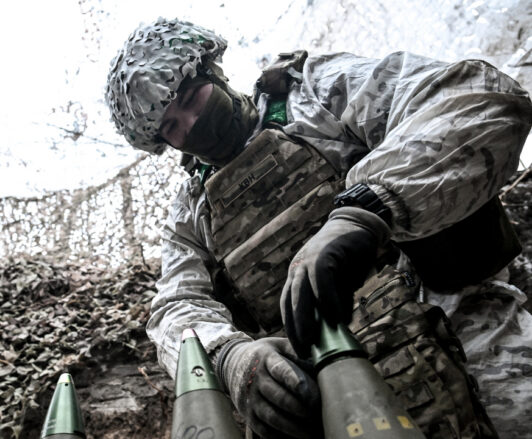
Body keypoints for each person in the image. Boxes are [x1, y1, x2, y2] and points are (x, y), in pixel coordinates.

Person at [105, 18, 532, 439]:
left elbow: (477, 96)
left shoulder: (314, 96)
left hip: (477, 344)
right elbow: (177, 305)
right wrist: (230, 357)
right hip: (333, 400)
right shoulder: (191, 214)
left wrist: (367, 208)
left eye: (189, 97)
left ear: (211, 70)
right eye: (171, 126)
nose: (191, 122)